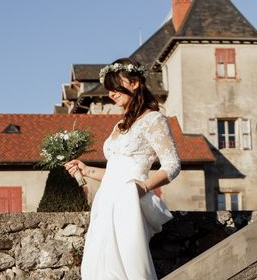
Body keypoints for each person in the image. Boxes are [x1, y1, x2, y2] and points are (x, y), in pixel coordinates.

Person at [65, 58, 181, 280]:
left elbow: (173, 164)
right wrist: (86, 169)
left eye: (115, 88)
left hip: (128, 199)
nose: (111, 94)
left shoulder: (153, 119)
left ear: (135, 83)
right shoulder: (120, 125)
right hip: (105, 199)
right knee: (96, 267)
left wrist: (144, 187)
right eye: (109, 90)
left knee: (125, 267)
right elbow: (115, 172)